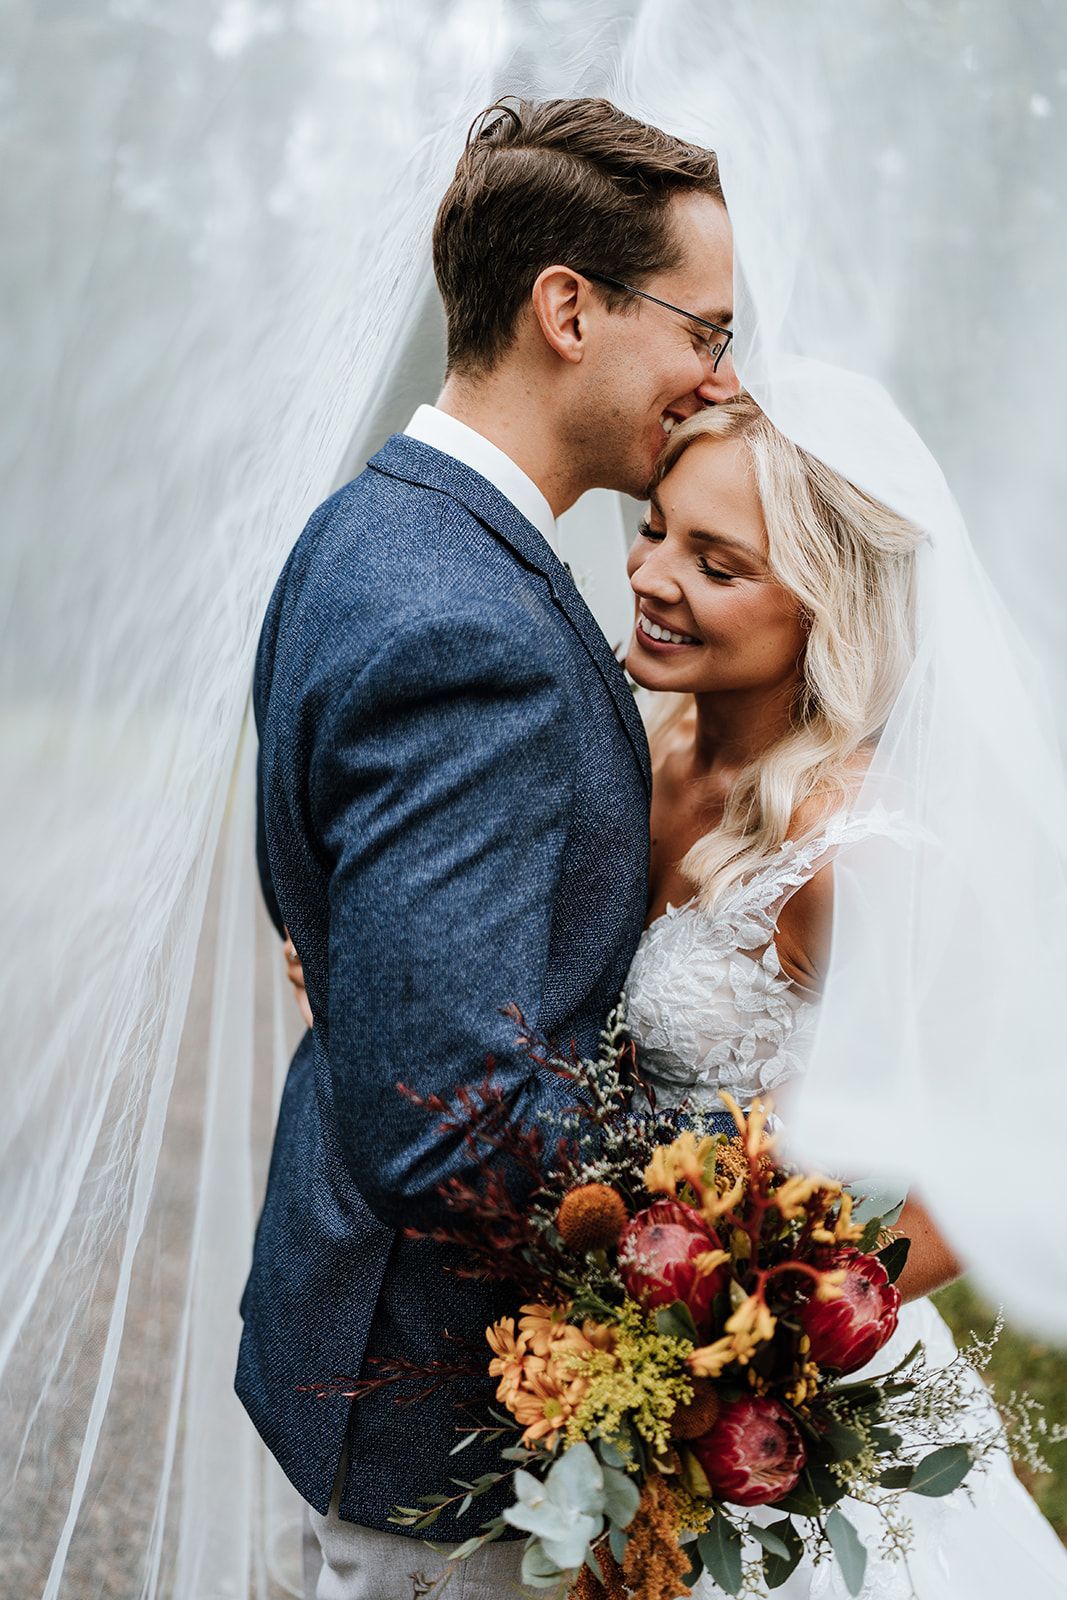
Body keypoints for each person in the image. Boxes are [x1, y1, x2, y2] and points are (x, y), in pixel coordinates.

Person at [238, 95, 737, 1600]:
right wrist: (741, 1208)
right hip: (434, 1434)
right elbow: (442, 1117)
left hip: (354, 1362)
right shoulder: (470, 624)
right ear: (567, 308)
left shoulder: (368, 526)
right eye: (702, 330)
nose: (719, 373)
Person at [621, 394, 1067, 1596]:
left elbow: (982, 1164)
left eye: (713, 563)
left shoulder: (852, 853)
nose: (650, 575)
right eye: (654, 528)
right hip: (619, 1358)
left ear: (822, 608)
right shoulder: (650, 753)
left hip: (782, 1421)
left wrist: (766, 1342)